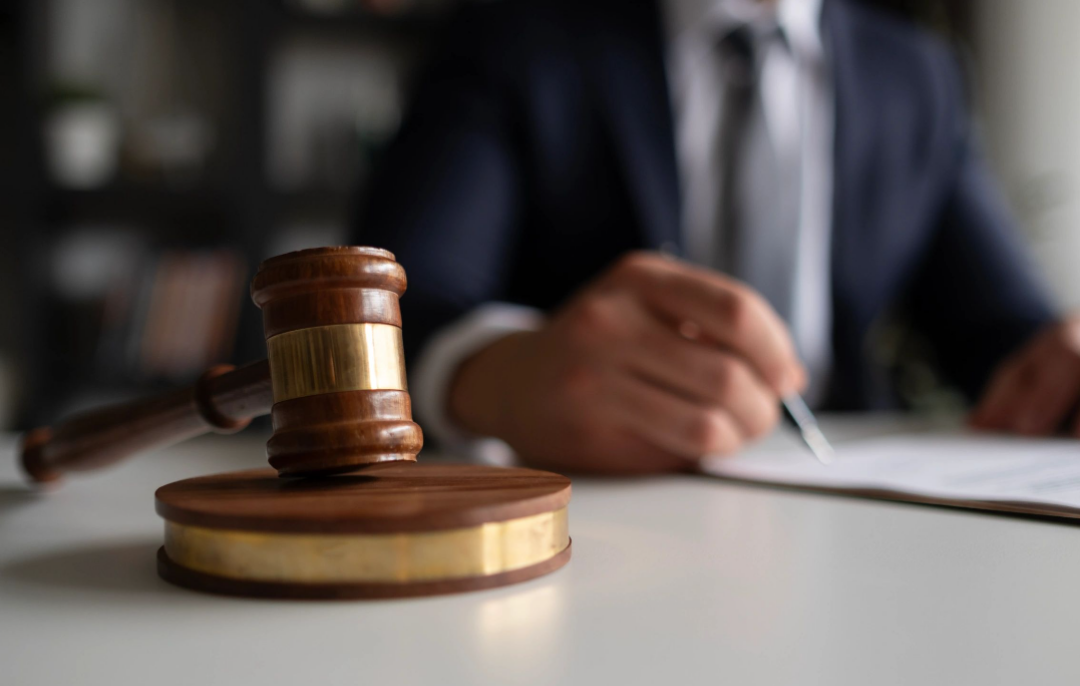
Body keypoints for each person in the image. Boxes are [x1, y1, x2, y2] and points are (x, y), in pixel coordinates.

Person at [357, 0, 1080, 473]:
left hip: (851, 519)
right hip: (595, 513)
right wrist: (504, 379)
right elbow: (391, 296)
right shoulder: (516, 35)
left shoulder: (916, 75)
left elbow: (1005, 337)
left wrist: (1064, 374)